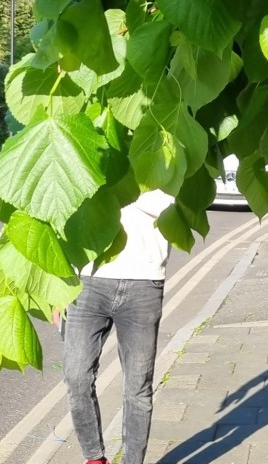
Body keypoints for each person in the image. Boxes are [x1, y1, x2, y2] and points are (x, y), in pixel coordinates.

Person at [62, 188, 174, 464]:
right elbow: (64, 206)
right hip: (87, 280)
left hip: (143, 284)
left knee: (138, 387)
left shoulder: (162, 162)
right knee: (76, 377)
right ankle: (94, 458)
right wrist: (57, 284)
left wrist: (122, 186)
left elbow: (171, 208)